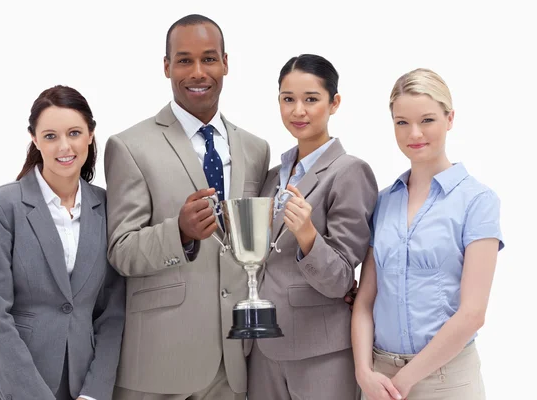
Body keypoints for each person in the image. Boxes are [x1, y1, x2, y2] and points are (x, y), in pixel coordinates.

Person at [104, 14, 270, 400]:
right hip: (159, 365)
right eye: (184, 60)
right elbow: (120, 250)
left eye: (209, 59)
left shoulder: (255, 149)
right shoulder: (130, 146)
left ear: (226, 63)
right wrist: (178, 233)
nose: (198, 72)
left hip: (234, 361)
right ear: (166, 67)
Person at [351, 68, 504, 400]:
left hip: (447, 379)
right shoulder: (383, 202)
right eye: (402, 122)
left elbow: (473, 313)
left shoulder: (477, 201)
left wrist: (405, 381)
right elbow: (365, 300)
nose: (414, 133)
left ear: (450, 119)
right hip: (379, 378)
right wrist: (364, 373)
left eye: (428, 120)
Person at [0, 85, 126, 400]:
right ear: (34, 139)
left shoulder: (109, 207)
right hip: (13, 389)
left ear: (90, 134)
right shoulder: (2, 206)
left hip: (83, 387)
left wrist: (94, 392)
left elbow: (112, 313)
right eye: (50, 136)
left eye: (73, 133)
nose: (64, 146)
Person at [247, 54, 378, 400]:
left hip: (321, 353)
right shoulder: (274, 175)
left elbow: (340, 280)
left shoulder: (350, 172)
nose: (298, 111)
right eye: (288, 99)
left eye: (311, 99)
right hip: (262, 347)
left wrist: (307, 235)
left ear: (334, 103)